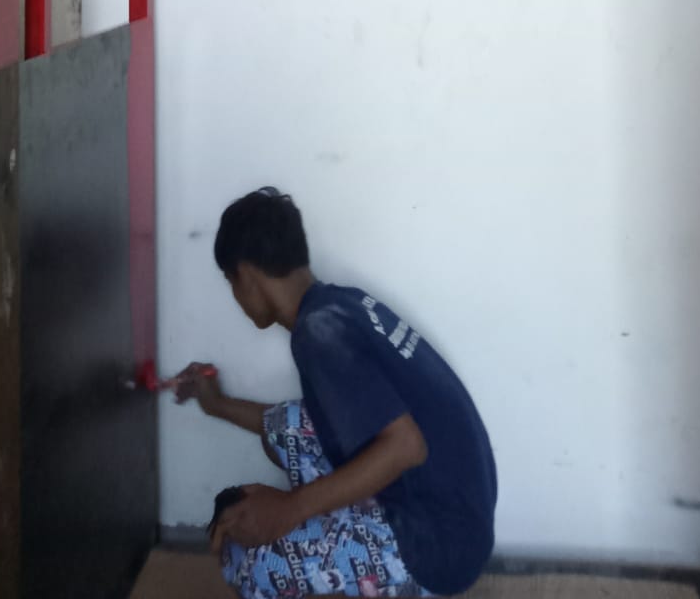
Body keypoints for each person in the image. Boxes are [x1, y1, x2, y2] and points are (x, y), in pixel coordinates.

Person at [174, 188, 497, 599]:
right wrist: (216, 404)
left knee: (246, 559)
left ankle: (399, 575)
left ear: (247, 275)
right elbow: (311, 425)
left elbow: (406, 447)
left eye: (231, 282)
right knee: (286, 430)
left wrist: (287, 510)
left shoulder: (318, 335)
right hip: (459, 514)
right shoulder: (338, 306)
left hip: (437, 547)